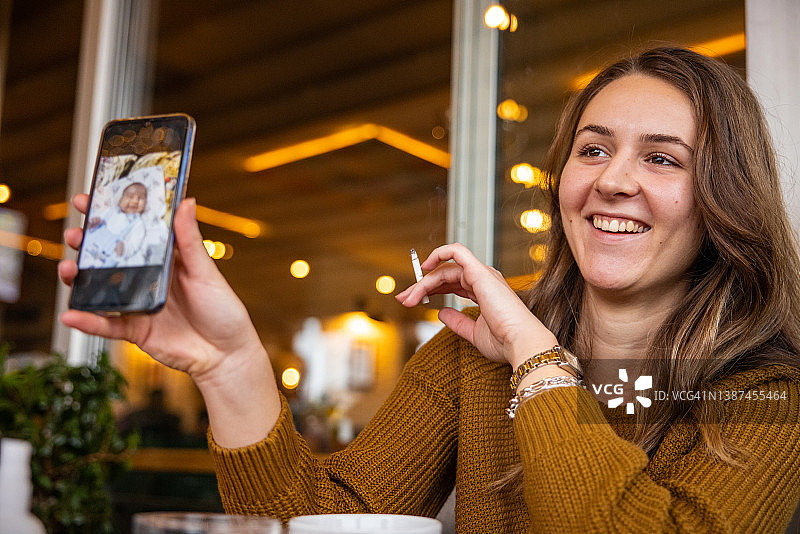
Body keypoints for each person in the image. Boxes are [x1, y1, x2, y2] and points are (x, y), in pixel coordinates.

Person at [58, 47, 800, 532]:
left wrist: (535, 359)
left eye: (663, 159)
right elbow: (325, 522)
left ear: (724, 197)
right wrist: (232, 365)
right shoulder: (468, 361)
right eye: (594, 148)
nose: (613, 179)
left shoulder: (774, 394)